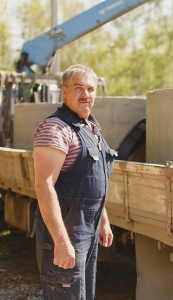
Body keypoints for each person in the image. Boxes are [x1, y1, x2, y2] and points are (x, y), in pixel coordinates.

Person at [33, 64, 117, 299]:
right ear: (65, 92)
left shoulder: (91, 128)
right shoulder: (56, 128)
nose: (85, 94)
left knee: (82, 294)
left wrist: (103, 220)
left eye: (90, 89)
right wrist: (61, 241)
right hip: (66, 231)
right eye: (78, 88)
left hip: (87, 229)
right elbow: (44, 185)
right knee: (65, 293)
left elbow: (93, 179)